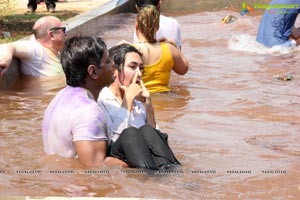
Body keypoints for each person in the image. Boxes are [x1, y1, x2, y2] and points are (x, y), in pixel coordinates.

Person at [42, 36, 127, 167]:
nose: (113, 64)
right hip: (76, 186)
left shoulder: (59, 98)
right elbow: (95, 170)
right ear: (93, 72)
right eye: (108, 61)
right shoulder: (89, 111)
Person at [98, 43, 181, 170]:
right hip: (119, 155)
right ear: (114, 70)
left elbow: (157, 142)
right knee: (131, 133)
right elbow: (114, 140)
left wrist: (148, 106)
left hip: (143, 159)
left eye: (141, 68)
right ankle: (153, 179)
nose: (139, 74)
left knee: (147, 130)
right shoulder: (103, 100)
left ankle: (177, 175)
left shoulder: (138, 101)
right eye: (132, 67)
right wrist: (128, 100)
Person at [134, 5, 189, 93]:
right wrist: (174, 46)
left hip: (140, 98)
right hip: (165, 96)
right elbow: (183, 69)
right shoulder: (169, 48)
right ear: (157, 27)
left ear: (136, 26)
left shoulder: (130, 51)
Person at [0, 16, 65, 77]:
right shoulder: (37, 51)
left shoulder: (54, 51)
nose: (65, 34)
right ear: (51, 35)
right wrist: (4, 60)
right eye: (63, 30)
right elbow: (8, 46)